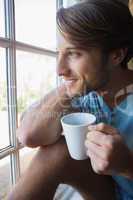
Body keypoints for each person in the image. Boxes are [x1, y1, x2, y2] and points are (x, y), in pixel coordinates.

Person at [8, 0, 133, 199]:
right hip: (109, 192)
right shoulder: (86, 96)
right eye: (59, 53)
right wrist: (69, 87)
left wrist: (128, 165)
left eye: (74, 53)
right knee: (57, 151)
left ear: (116, 55)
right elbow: (29, 134)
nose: (59, 70)